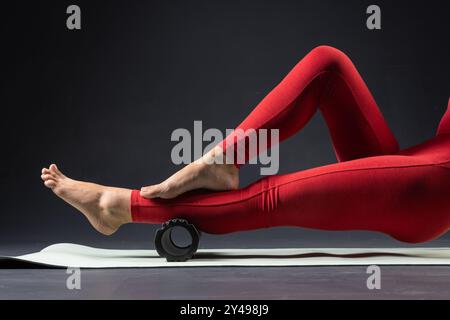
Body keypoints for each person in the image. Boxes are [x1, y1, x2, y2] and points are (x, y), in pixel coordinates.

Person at [41, 46, 450, 243]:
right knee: (327, 64)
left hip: (433, 188)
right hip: (415, 161)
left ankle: (117, 207)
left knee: (269, 197)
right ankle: (222, 160)